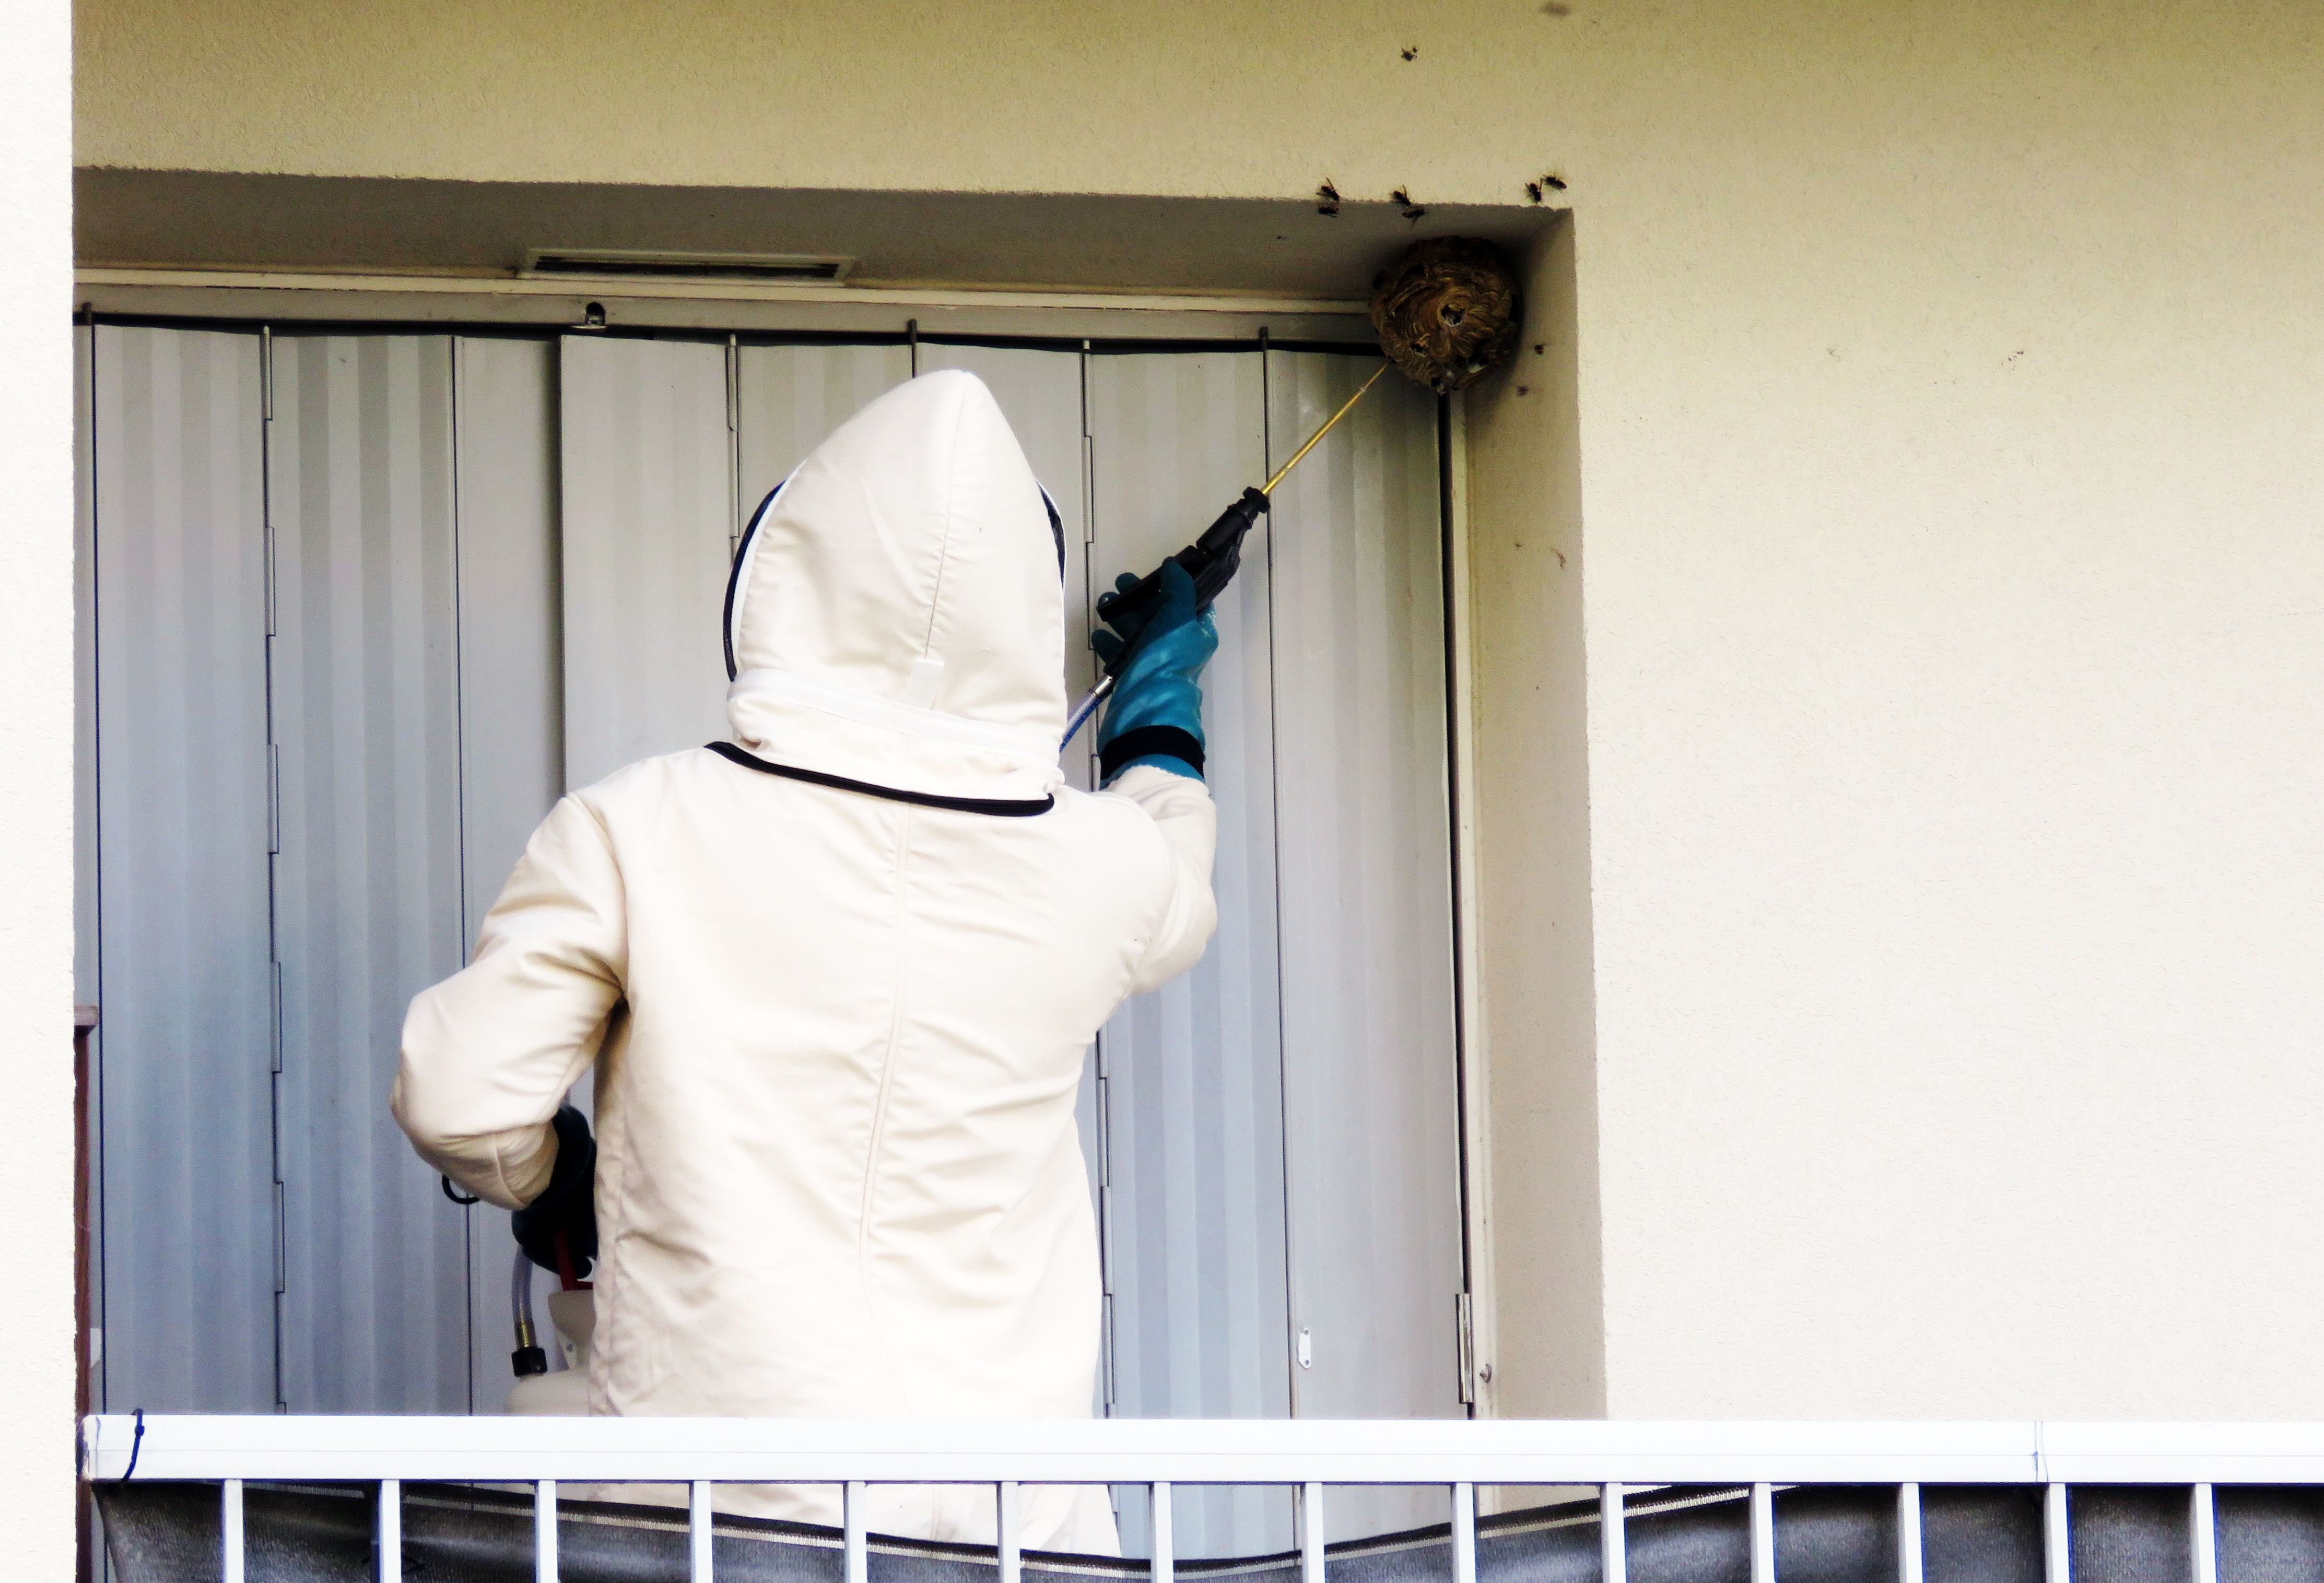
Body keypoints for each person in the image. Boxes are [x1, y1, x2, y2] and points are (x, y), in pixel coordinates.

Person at [392, 370, 1217, 1554]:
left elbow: (461, 1103)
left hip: (722, 1522)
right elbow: (1173, 869)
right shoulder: (1102, 865)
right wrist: (1158, 717)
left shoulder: (638, 827)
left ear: (788, 564)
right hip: (1015, 1525)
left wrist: (555, 1177)